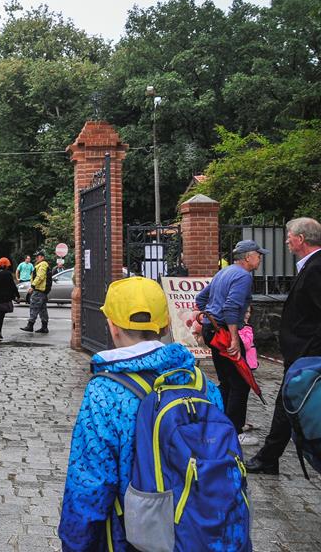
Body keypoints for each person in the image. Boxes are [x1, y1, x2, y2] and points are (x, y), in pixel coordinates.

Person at [58, 277, 224, 551]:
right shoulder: (201, 383)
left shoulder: (105, 391)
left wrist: (75, 542)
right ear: (166, 324)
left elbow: (89, 481)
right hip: (199, 529)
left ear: (112, 326)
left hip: (133, 535)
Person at [246, 217, 321, 474]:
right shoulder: (310, 265)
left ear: (301, 239)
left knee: (289, 403)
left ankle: (269, 457)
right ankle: (269, 457)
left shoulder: (316, 268)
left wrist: (308, 350)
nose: (286, 241)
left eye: (289, 236)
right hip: (302, 353)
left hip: (306, 354)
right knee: (287, 402)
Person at [193, 239, 266, 447]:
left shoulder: (224, 272)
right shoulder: (243, 276)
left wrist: (210, 316)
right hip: (224, 333)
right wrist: (234, 338)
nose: (260, 258)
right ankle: (234, 430)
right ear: (248, 257)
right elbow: (231, 307)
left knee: (226, 381)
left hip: (213, 331)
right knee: (240, 382)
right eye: (258, 255)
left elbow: (201, 298)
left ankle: (221, 422)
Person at [21, 250, 51, 333]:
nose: (36, 258)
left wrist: (33, 286)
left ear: (42, 257)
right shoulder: (43, 264)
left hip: (38, 290)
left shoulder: (42, 264)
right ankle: (44, 327)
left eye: (38, 257)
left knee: (34, 307)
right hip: (42, 291)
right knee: (42, 309)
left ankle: (30, 325)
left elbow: (40, 277)